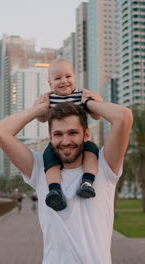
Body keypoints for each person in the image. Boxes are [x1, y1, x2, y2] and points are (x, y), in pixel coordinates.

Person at [0, 91, 133, 263]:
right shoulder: (39, 168)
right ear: (50, 137)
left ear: (86, 135)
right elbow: (0, 132)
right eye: (58, 134)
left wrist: (88, 103)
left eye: (73, 132)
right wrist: (40, 109)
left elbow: (124, 117)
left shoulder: (104, 165)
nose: (65, 141)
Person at [36, 58, 102, 211]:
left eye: (68, 76)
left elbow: (97, 116)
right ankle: (54, 189)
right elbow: (41, 118)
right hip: (56, 144)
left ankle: (87, 182)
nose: (63, 81)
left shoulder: (81, 95)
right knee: (49, 160)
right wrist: (39, 104)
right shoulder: (50, 99)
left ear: (74, 78)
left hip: (81, 141)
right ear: (50, 83)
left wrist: (95, 100)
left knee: (92, 152)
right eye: (57, 78)